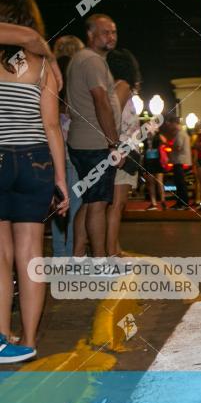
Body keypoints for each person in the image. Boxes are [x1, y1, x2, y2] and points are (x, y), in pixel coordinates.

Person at [0, 0, 69, 363]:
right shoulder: (43, 65)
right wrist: (61, 179)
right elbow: (52, 127)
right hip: (37, 162)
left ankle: (0, 336)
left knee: (1, 256)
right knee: (31, 255)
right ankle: (27, 340)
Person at [66, 14, 120, 257]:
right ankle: (99, 262)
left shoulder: (80, 59)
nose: (111, 37)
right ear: (90, 35)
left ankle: (77, 256)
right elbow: (101, 101)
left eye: (113, 32)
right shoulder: (92, 61)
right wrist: (113, 143)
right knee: (98, 205)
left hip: (81, 141)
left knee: (89, 203)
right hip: (96, 144)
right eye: (105, 32)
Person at [50, 36, 84, 257]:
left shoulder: (50, 71)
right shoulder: (78, 73)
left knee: (58, 202)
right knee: (76, 203)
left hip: (54, 144)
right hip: (76, 142)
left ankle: (59, 253)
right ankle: (72, 252)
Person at [105, 49, 142, 256]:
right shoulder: (123, 86)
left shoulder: (115, 85)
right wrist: (118, 146)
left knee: (115, 205)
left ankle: (113, 247)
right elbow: (114, 115)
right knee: (117, 205)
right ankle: (111, 252)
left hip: (122, 149)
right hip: (123, 151)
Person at [168, 115, 191, 210]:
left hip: (180, 162)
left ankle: (184, 203)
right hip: (179, 162)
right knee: (179, 183)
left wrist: (168, 145)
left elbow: (178, 147)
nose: (169, 127)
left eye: (170, 124)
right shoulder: (181, 133)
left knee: (180, 183)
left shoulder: (180, 134)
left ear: (175, 123)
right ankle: (180, 202)